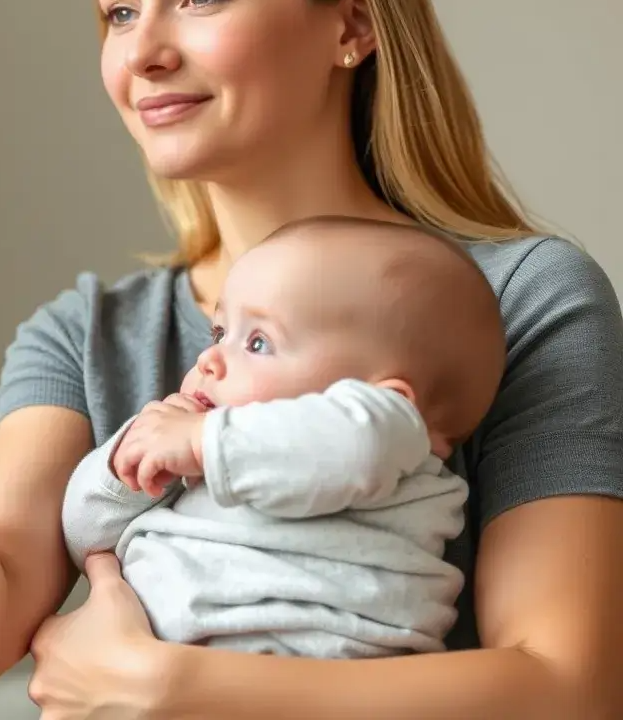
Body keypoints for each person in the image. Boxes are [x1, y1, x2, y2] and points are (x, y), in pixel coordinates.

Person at [0, 0, 621, 718]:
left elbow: (570, 690)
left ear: (351, 23)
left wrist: (181, 688)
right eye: (118, 10)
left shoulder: (525, 299)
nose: (143, 53)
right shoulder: (83, 334)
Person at [61, 216, 505, 658]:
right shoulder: (207, 452)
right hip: (147, 677)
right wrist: (129, 459)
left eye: (258, 343)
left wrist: (202, 441)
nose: (210, 358)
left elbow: (353, 445)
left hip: (314, 683)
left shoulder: (383, 436)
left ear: (387, 401)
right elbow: (86, 534)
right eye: (219, 332)